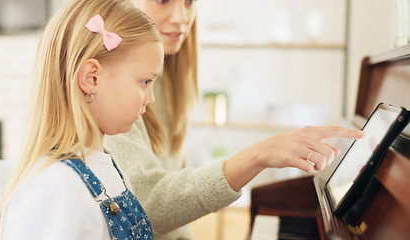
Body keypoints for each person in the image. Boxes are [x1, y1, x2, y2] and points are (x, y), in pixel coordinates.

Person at [102, 1, 365, 240]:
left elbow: (176, 199)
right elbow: (150, 204)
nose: (182, 17)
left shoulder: (171, 76)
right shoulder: (115, 88)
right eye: (163, 0)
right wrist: (259, 155)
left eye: (190, 2)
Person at [0, 0, 164, 239]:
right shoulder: (53, 188)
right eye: (144, 82)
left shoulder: (111, 171)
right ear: (91, 78)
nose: (151, 98)